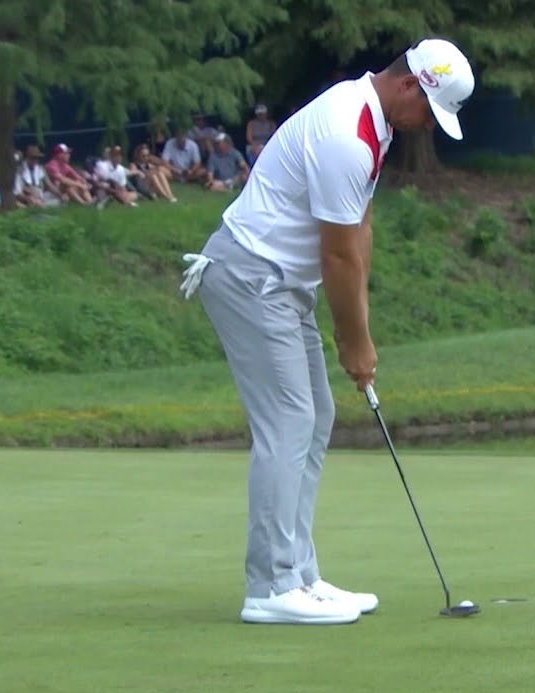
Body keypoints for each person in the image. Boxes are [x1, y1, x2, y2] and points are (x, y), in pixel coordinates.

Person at [177, 37, 476, 626]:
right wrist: (354, 340)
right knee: (289, 419)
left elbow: (357, 233)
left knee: (315, 412)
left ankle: (300, 574)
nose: (426, 127)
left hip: (278, 283)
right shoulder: (346, 133)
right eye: (428, 112)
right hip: (248, 276)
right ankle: (270, 585)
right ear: (410, 85)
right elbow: (336, 257)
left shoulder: (374, 124)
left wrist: (356, 332)